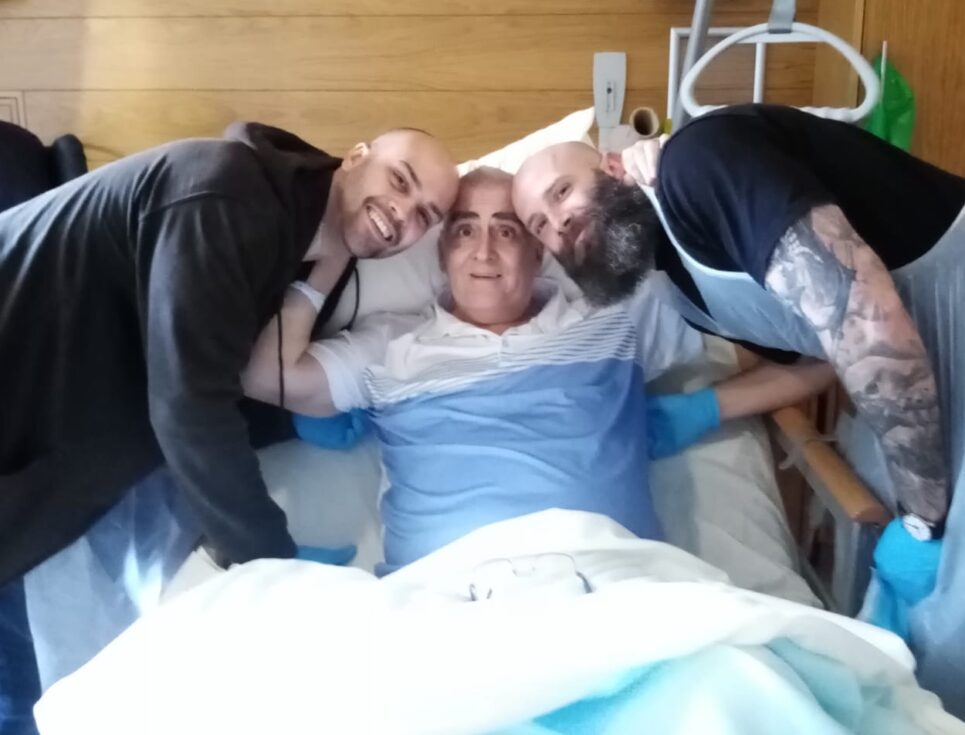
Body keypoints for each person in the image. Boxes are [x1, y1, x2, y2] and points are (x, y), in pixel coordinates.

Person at [0, 123, 458, 732]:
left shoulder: (313, 245)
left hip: (57, 424)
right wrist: (272, 562)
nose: (402, 214)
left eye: (425, 215)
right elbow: (190, 405)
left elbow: (230, 367)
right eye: (399, 181)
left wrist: (295, 412)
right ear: (355, 155)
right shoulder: (224, 193)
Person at [511, 103, 965, 714]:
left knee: (947, 637)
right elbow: (823, 357)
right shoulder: (685, 297)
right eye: (540, 226)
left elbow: (866, 322)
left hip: (936, 329)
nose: (558, 225)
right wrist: (704, 409)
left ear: (616, 166)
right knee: (918, 650)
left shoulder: (698, 167)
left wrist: (922, 521)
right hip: (925, 376)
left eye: (562, 192)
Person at [242, 166, 832, 574]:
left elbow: (800, 334)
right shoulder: (391, 347)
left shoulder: (617, 318)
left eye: (508, 229)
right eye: (465, 230)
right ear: (442, 254)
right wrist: (334, 256)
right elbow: (267, 379)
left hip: (618, 590)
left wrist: (714, 403)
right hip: (446, 606)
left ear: (540, 248)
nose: (484, 251)